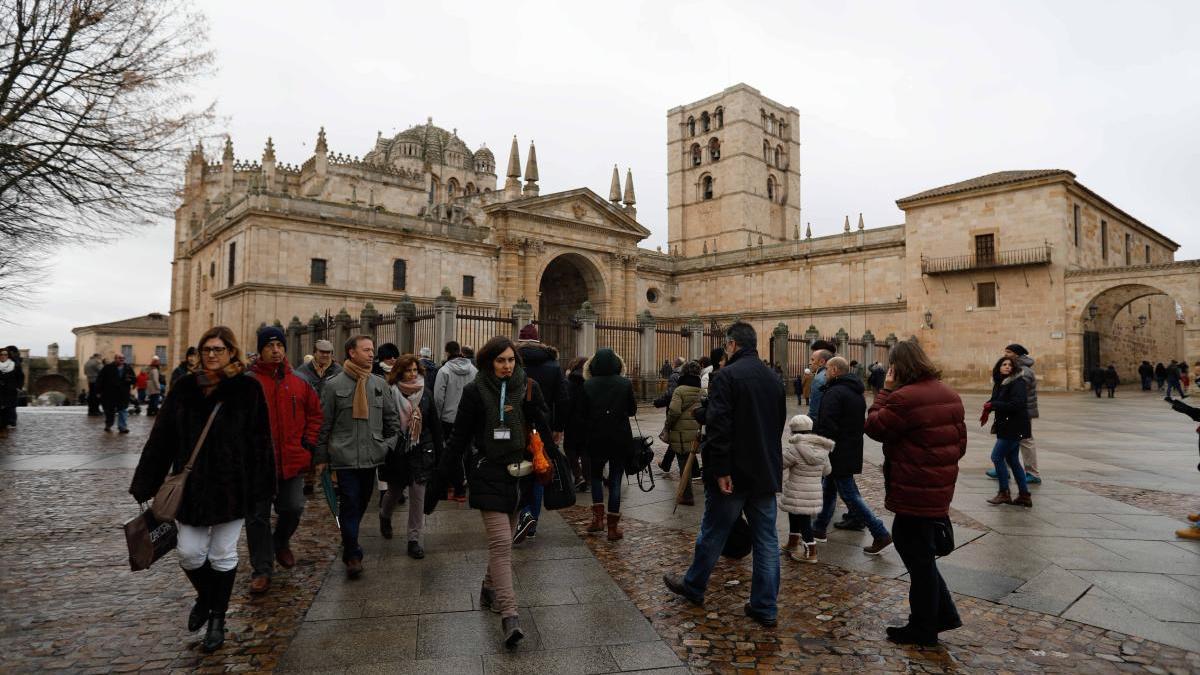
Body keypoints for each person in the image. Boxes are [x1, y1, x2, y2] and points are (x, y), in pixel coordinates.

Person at [129, 326, 275, 653]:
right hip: (191, 489)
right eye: (206, 349)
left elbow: (260, 443)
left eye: (218, 349)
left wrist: (263, 489)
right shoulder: (184, 387)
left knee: (223, 555)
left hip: (232, 487)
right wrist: (145, 482)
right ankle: (207, 598)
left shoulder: (247, 388)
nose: (211, 355)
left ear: (231, 352)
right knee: (190, 554)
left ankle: (217, 620)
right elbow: (162, 438)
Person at [663, 322, 786, 628]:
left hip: (732, 471)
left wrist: (720, 470)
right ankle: (765, 606)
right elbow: (777, 424)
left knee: (714, 531)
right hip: (764, 471)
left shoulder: (726, 376)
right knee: (767, 540)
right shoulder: (773, 378)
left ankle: (694, 585)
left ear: (731, 345)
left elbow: (719, 427)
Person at [438, 335, 555, 649]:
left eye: (511, 360)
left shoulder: (528, 388)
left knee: (503, 543)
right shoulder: (474, 391)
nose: (506, 366)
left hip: (520, 474)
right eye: (500, 360)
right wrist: (445, 476)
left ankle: (489, 587)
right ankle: (510, 615)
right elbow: (459, 437)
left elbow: (544, 424)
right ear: (489, 361)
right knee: (503, 543)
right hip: (487, 472)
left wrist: (548, 449)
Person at [864, 338, 965, 647]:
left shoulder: (903, 398)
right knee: (920, 555)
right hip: (937, 486)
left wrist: (885, 390)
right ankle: (942, 615)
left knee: (916, 558)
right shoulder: (949, 393)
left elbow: (873, 426)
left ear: (897, 367)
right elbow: (959, 446)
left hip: (914, 488)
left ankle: (923, 628)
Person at [314, 335, 400, 578]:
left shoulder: (379, 384)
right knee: (350, 503)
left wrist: (386, 447)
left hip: (372, 457)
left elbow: (392, 421)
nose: (372, 354)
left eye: (372, 350)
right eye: (366, 350)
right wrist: (321, 457)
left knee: (361, 503)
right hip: (344, 457)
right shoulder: (333, 386)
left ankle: (349, 540)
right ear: (352, 352)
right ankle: (353, 554)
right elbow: (323, 425)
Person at [245, 326, 323, 594]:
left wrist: (308, 443)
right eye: (270, 346)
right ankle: (262, 569)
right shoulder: (249, 382)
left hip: (292, 459)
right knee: (257, 517)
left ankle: (280, 542)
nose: (276, 350)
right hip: (257, 464)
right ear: (261, 350)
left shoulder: (299, 382)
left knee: (292, 507)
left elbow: (315, 414)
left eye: (279, 345)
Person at [812, 356, 893, 554]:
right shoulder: (855, 391)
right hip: (849, 448)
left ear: (834, 370)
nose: (826, 373)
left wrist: (820, 445)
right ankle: (819, 528)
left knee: (849, 494)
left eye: (828, 369)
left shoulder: (835, 392)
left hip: (836, 451)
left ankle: (880, 532)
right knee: (829, 488)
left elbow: (828, 425)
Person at [379, 354, 444, 559]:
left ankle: (414, 539)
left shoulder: (425, 394)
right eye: (408, 370)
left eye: (415, 370)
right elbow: (384, 424)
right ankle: (384, 515)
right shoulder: (390, 393)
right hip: (398, 452)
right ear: (399, 371)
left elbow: (434, 424)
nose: (413, 374)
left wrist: (441, 453)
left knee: (418, 496)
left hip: (422, 450)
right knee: (394, 492)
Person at [514, 324, 569, 543]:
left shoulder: (512, 362)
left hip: (516, 425)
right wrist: (558, 428)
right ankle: (533, 522)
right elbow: (563, 399)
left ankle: (522, 514)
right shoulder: (553, 365)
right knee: (539, 469)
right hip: (542, 427)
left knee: (516, 469)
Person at [580, 348, 637, 541]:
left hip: (595, 437)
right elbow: (632, 410)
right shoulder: (624, 383)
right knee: (615, 480)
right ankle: (613, 528)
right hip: (619, 438)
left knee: (596, 477)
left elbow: (583, 413)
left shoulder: (587, 385)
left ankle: (597, 520)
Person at [779, 414, 832, 563]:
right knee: (796, 515)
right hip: (813, 492)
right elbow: (827, 471)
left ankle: (811, 552)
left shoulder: (794, 449)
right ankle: (792, 542)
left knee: (803, 521)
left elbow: (781, 464)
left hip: (797, 491)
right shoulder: (822, 448)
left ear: (794, 431)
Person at [987, 344, 1042, 484]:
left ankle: (1032, 473)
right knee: (1008, 438)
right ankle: (1004, 469)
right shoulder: (1014, 369)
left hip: (1023, 411)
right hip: (1011, 410)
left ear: (1017, 354)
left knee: (1025, 440)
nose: (1005, 354)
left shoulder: (1024, 372)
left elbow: (1015, 392)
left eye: (1009, 352)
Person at [982, 356, 1033, 507]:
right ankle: (1024, 495)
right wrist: (989, 405)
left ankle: (1004, 492)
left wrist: (993, 405)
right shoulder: (1001, 383)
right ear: (999, 367)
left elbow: (1017, 404)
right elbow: (996, 400)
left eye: (1010, 365)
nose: (1007, 367)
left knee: (997, 456)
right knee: (1012, 460)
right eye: (1004, 364)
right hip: (1006, 426)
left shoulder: (1017, 383)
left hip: (1014, 427)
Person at [434, 341, 477, 502]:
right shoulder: (474, 370)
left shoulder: (444, 371)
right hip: (470, 417)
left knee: (453, 453)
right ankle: (472, 485)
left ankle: (458, 487)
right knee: (470, 450)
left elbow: (438, 397)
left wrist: (438, 416)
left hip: (449, 418)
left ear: (446, 352)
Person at [665, 361, 703, 506]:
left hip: (681, 433)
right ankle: (689, 492)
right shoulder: (701, 391)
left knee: (683, 464)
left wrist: (668, 424)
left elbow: (674, 411)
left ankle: (687, 496)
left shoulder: (679, 390)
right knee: (690, 461)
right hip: (696, 433)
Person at [562, 356, 590, 491]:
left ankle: (578, 476)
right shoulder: (591, 381)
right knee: (585, 449)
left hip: (572, 422)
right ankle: (587, 477)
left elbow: (565, 403)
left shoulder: (569, 381)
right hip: (587, 421)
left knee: (570, 449)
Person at [655, 356, 686, 474]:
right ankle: (666, 464)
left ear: (675, 364)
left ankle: (667, 465)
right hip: (686, 411)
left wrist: (658, 402)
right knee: (678, 439)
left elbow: (671, 394)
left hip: (676, 410)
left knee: (676, 440)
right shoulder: (688, 374)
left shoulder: (674, 375)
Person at [97, 352, 136, 433]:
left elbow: (134, 379)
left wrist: (131, 381)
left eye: (123, 358)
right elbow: (100, 379)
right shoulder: (108, 368)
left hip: (123, 393)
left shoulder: (128, 368)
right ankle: (109, 424)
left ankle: (122, 427)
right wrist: (98, 391)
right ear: (115, 359)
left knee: (123, 410)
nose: (122, 359)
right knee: (109, 410)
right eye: (119, 358)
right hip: (110, 393)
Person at [806, 342, 835, 418]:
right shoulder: (837, 371)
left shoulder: (819, 379)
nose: (809, 363)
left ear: (822, 361)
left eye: (812, 360)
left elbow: (814, 412)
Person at [0, 347, 24, 429]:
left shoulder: (14, 365)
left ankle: (11, 422)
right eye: (1, 354)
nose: (3, 356)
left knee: (10, 407)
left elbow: (20, 376)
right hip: (1, 390)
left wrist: (19, 387)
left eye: (5, 354)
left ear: (8, 355)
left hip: (11, 389)